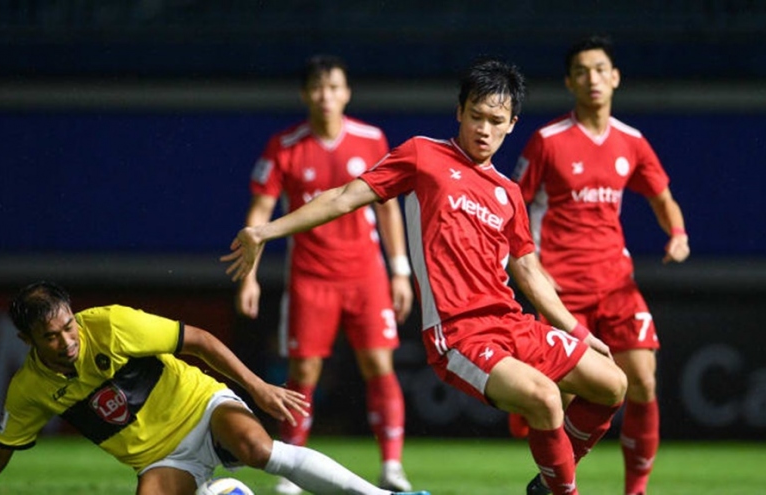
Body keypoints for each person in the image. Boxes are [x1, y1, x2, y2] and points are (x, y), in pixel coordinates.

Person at [223, 58, 628, 495]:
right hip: (459, 334)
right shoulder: (423, 155)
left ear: (512, 124)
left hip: (511, 321)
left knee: (612, 383)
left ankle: (550, 480)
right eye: (475, 116)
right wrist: (265, 231)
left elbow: (528, 269)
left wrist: (575, 329)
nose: (484, 129)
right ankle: (563, 489)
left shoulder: (508, 193)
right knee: (546, 400)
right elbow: (344, 197)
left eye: (495, 121)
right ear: (459, 112)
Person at [0, 281, 430, 495]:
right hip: (159, 458)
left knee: (259, 447)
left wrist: (257, 387)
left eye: (67, 327)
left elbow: (198, 341)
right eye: (51, 337)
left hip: (201, 407)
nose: (66, 341)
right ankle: (217, 491)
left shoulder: (112, 324)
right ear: (28, 341)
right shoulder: (29, 389)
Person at [510, 35, 690, 495]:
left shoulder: (631, 141)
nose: (592, 79)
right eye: (582, 71)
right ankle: (554, 478)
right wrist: (523, 264)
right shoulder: (547, 141)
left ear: (615, 78)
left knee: (643, 383)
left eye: (600, 69)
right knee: (560, 399)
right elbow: (512, 203)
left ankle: (636, 490)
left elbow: (662, 197)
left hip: (616, 284)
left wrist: (679, 235)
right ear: (570, 81)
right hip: (560, 290)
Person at [238, 54, 414, 494]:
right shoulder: (285, 145)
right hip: (311, 278)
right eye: (318, 87)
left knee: (378, 365)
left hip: (366, 274)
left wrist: (400, 270)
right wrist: (249, 275)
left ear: (347, 93)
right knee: (304, 373)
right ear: (305, 94)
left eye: (334, 87)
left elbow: (388, 208)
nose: (326, 95)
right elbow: (260, 212)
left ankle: (391, 466)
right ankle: (291, 471)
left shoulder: (372, 140)